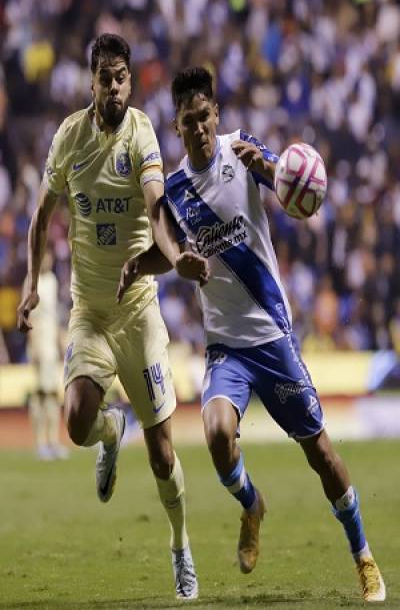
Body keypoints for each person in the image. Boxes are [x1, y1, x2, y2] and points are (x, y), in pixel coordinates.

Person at [118, 67, 385, 603]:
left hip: (273, 337)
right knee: (217, 434)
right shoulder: (173, 190)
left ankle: (363, 556)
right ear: (176, 127)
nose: (198, 128)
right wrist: (139, 267)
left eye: (204, 117)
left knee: (322, 455)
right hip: (225, 347)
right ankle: (251, 504)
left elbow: (294, 196)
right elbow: (166, 251)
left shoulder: (242, 149)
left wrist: (268, 167)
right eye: (187, 121)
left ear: (216, 114)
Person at [17, 35, 207, 600]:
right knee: (77, 421)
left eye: (123, 77)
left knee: (163, 452)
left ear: (129, 81)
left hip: (139, 309)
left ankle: (179, 546)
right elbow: (39, 218)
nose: (117, 86)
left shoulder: (143, 131)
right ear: (92, 82)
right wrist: (30, 284)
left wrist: (176, 259)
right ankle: (109, 429)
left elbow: (157, 206)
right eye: (107, 78)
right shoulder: (70, 138)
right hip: (90, 310)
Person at [26, 249, 69, 460]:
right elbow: (27, 317)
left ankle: (53, 441)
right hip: (39, 343)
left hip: (51, 344)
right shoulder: (31, 282)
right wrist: (32, 345)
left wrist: (61, 341)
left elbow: (55, 314)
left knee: (53, 393)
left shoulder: (52, 281)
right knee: (40, 393)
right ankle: (39, 442)